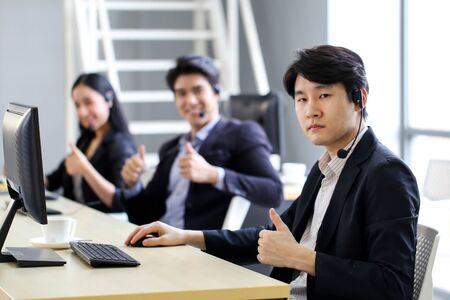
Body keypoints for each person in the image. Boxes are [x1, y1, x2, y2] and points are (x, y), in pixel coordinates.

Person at [124, 46, 420, 300]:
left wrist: (300, 258)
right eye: (302, 99)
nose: (310, 110)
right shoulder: (326, 167)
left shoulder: (387, 174)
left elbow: (393, 287)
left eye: (324, 95)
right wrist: (187, 237)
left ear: (360, 98)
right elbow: (268, 239)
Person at [115, 54, 283, 229]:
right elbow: (143, 217)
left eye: (198, 90)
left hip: (195, 247)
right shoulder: (171, 148)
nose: (190, 100)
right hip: (158, 241)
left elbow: (273, 192)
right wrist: (132, 185)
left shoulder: (242, 133)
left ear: (216, 92)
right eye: (181, 93)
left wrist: (213, 174)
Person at [46, 73, 136, 213]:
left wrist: (85, 169)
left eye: (88, 102)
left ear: (109, 99)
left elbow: (121, 202)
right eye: (77, 105)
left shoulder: (121, 145)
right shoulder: (86, 140)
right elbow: (53, 180)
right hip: (76, 220)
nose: (82, 112)